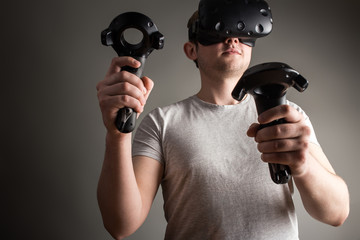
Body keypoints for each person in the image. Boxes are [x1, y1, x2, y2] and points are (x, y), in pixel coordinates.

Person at [96, 6, 350, 240]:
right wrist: (117, 135)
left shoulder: (286, 115)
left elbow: (336, 213)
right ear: (191, 50)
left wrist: (303, 165)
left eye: (241, 31)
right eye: (216, 31)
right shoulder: (162, 123)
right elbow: (120, 224)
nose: (232, 39)